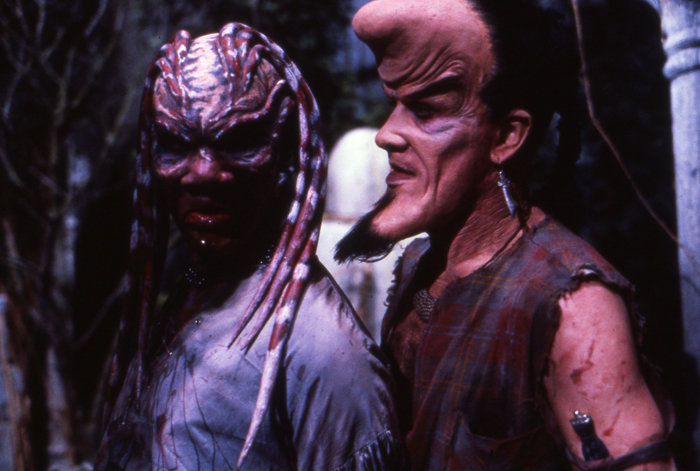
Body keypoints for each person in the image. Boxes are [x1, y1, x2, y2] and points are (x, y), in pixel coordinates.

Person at [336, 0, 675, 469]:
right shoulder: (422, 262)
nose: (386, 134)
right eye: (393, 105)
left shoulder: (574, 305)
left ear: (505, 137)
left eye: (426, 110)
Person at [96, 22, 405, 471]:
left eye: (238, 141)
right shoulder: (194, 293)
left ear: (287, 150)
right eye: (175, 143)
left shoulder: (323, 353)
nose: (202, 173)